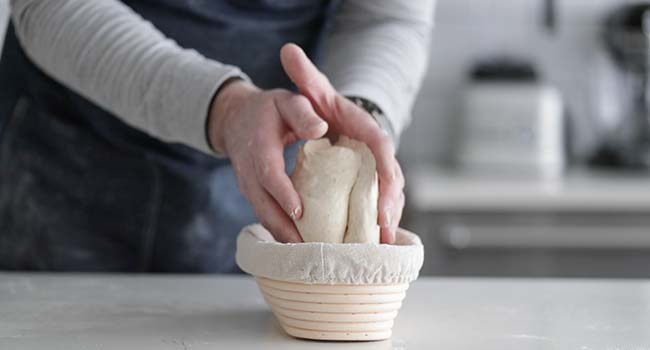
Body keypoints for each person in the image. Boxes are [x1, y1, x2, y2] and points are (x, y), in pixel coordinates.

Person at [0, 0, 434, 272]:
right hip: (63, 163)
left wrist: (360, 109)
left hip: (258, 173)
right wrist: (224, 109)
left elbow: (386, 16)